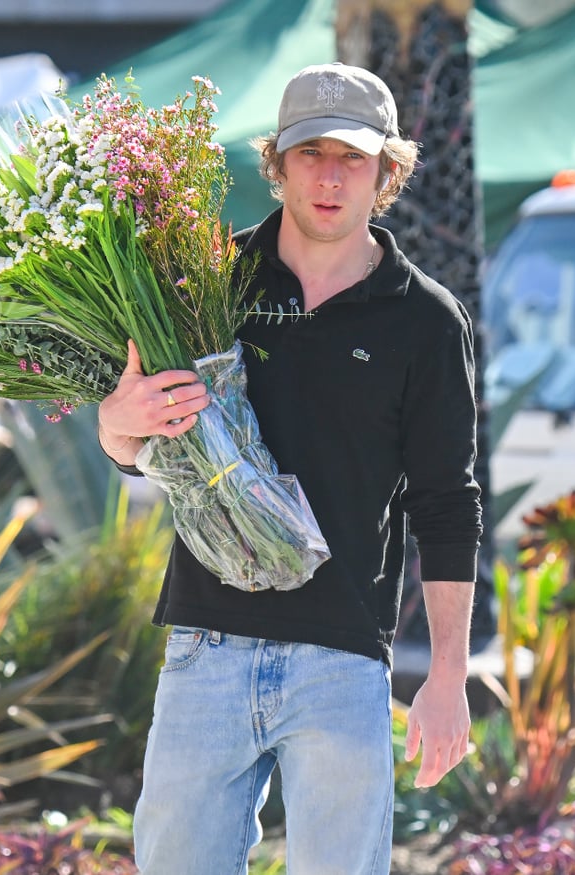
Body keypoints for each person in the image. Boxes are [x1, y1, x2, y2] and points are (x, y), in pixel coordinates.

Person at [97, 62, 482, 875]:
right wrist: (115, 426)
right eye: (312, 154)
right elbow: (137, 436)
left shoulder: (427, 322)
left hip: (341, 662)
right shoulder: (207, 281)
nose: (331, 176)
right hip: (206, 647)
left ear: (387, 171)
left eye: (354, 156)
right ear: (277, 163)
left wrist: (448, 673)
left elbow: (448, 505)